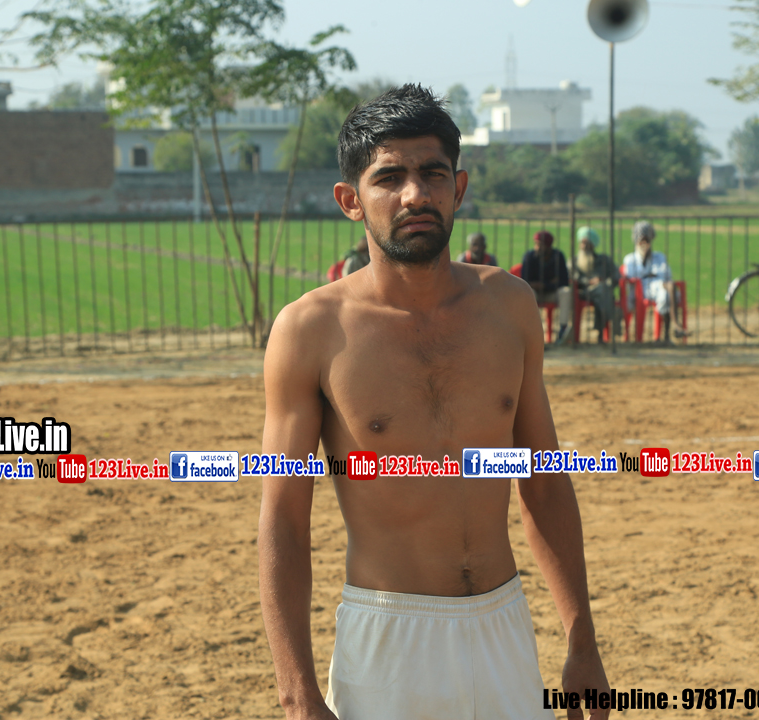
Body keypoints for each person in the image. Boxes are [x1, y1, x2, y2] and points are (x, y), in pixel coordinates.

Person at [259, 84, 610, 720]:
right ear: (350, 200)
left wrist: (581, 640)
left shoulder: (511, 306)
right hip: (389, 639)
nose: (415, 194)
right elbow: (284, 515)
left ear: (459, 188)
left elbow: (544, 482)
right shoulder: (309, 330)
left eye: (433, 173)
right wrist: (296, 691)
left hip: (504, 629)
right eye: (389, 177)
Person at [621, 220, 682, 341]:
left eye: (647, 240)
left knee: (666, 293)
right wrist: (650, 274)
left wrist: (650, 275)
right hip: (641, 291)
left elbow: (666, 273)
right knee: (668, 290)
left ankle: (667, 334)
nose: (644, 244)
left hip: (660, 288)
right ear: (636, 241)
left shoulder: (659, 257)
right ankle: (675, 326)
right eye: (641, 241)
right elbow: (631, 277)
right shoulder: (630, 259)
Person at [520, 230, 573, 344]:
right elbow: (525, 281)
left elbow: (564, 281)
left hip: (552, 293)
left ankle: (563, 329)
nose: (537, 247)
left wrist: (544, 284)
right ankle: (531, 331)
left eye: (540, 244)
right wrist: (551, 282)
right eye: (536, 244)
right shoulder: (529, 256)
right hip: (535, 294)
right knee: (529, 292)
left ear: (548, 246)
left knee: (566, 292)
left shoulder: (558, 256)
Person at [572, 227, 620, 340]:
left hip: (603, 291)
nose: (584, 246)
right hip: (584, 292)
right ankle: (613, 317)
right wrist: (589, 282)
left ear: (593, 245)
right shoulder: (574, 261)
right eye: (582, 243)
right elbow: (572, 277)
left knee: (601, 293)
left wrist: (605, 281)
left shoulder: (603, 259)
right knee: (603, 290)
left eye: (587, 243)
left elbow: (616, 275)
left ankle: (600, 333)